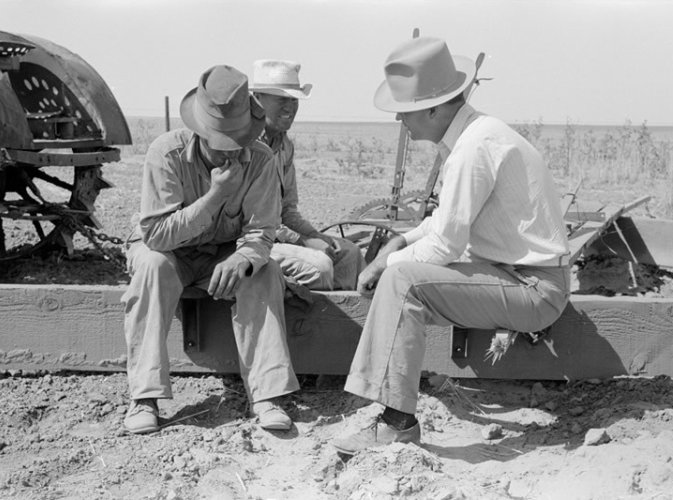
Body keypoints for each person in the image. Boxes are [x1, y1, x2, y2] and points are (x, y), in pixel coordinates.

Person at [332, 37, 571, 455]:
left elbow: (444, 245)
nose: (400, 121)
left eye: (403, 111)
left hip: (533, 288)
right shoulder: (477, 136)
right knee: (400, 268)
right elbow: (443, 222)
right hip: (517, 276)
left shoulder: (472, 150)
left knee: (403, 281)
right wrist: (400, 240)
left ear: (433, 107)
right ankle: (389, 406)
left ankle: (396, 423)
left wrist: (382, 266)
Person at [121, 65, 298, 434]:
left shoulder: (262, 160)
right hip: (169, 252)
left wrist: (241, 258)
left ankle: (266, 396)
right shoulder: (166, 154)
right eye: (220, 142)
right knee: (152, 267)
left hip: (222, 252)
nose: (230, 153)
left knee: (265, 272)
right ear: (200, 132)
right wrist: (215, 196)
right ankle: (144, 398)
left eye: (238, 142)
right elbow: (156, 235)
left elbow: (262, 232)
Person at [251, 59, 364, 290]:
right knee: (320, 266)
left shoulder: (284, 147)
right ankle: (308, 324)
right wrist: (304, 241)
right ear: (257, 99)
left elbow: (288, 210)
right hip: (250, 241)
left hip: (276, 236)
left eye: (294, 99)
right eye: (282, 98)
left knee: (349, 253)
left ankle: (344, 321)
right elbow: (255, 220)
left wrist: (315, 236)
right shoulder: (248, 147)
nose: (290, 107)